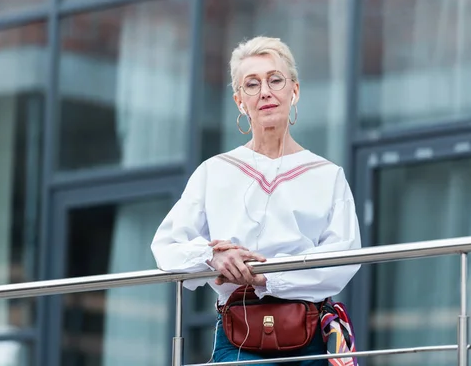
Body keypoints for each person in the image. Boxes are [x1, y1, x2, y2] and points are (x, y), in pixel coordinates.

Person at [151, 36, 361, 365]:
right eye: (252, 84)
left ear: (294, 91)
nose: (265, 91)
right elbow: (167, 246)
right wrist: (212, 258)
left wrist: (268, 277)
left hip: (309, 339)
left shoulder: (327, 175)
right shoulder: (213, 172)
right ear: (239, 101)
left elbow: (344, 257)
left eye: (275, 79)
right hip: (238, 336)